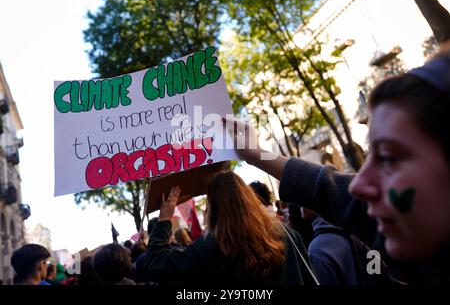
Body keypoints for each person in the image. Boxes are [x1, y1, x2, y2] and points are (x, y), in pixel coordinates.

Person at [223, 51, 450, 283]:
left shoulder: (323, 249)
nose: (358, 184)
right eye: (371, 154)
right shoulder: (411, 234)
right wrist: (256, 154)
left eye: (388, 158)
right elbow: (332, 191)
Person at [142, 172, 317, 286]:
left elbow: (155, 266)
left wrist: (164, 218)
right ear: (249, 197)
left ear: (214, 207)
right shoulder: (287, 234)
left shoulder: (209, 248)